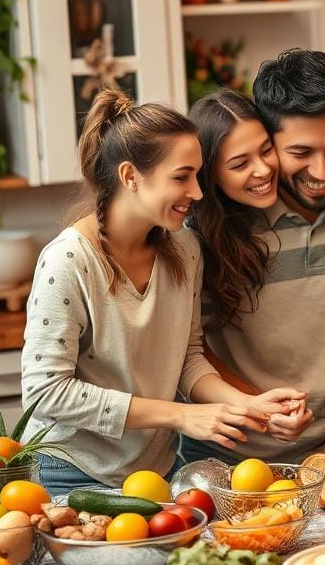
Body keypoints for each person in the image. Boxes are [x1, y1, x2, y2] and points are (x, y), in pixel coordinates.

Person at [21, 90, 304, 494]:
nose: (199, 192)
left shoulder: (185, 250)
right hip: (71, 471)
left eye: (197, 175)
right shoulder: (68, 261)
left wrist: (245, 404)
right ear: (130, 176)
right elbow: (45, 392)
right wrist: (180, 416)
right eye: (181, 177)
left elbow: (186, 357)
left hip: (155, 470)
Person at [196, 50, 325, 459]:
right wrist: (257, 412)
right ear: (268, 142)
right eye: (300, 153)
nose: (323, 170)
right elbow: (191, 347)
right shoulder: (214, 224)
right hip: (228, 452)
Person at [178, 89, 314, 465]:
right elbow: (191, 352)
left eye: (266, 150)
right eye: (240, 164)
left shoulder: (295, 210)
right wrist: (256, 407)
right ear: (209, 175)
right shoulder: (189, 243)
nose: (263, 169)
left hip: (308, 447)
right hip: (220, 455)